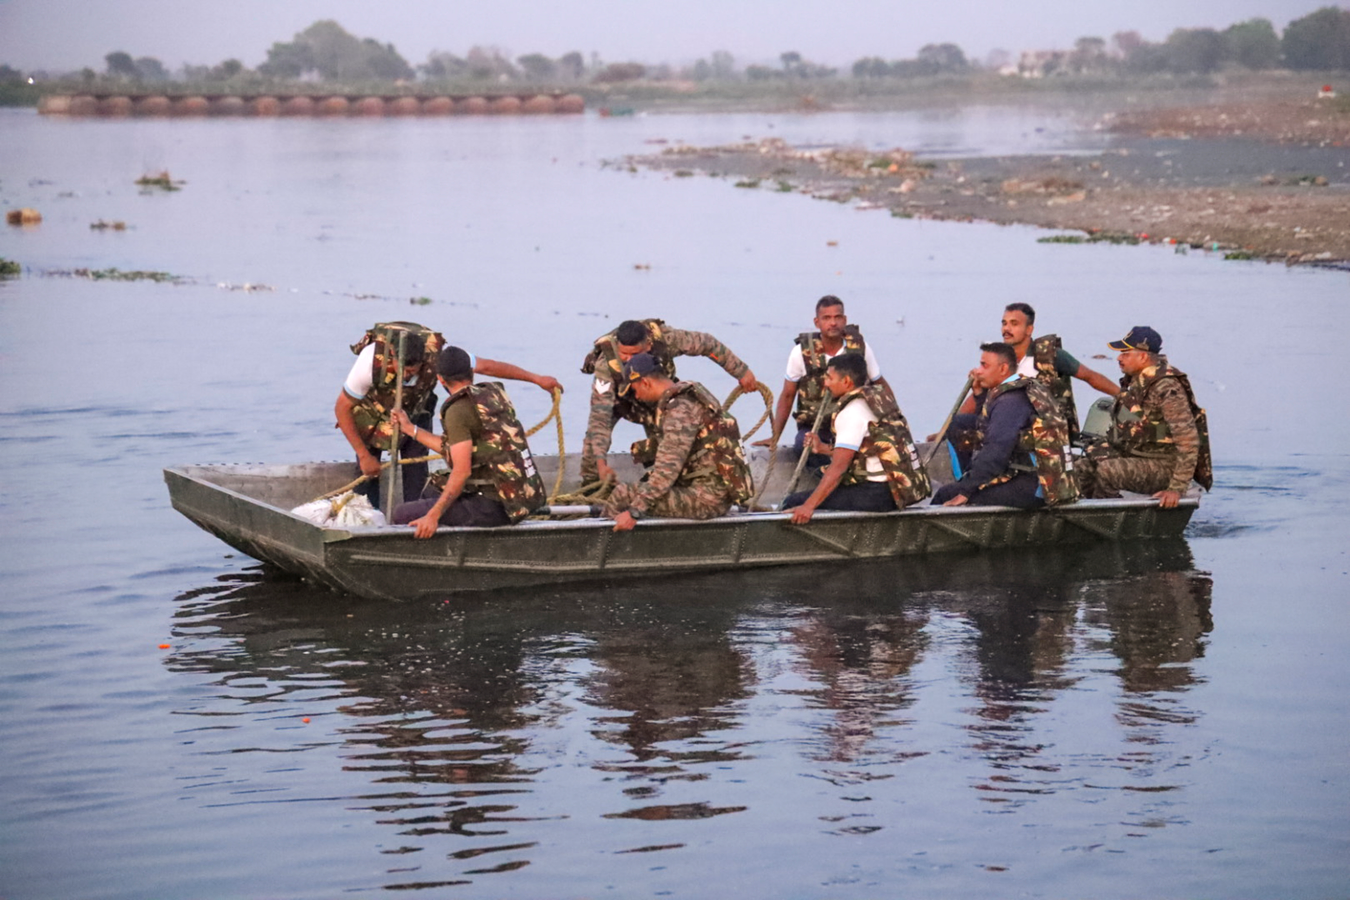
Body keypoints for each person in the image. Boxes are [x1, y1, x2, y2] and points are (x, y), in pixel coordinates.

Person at [336, 321, 561, 505]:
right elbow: (342, 408)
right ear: (392, 355)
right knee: (367, 472)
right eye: (402, 370)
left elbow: (488, 367)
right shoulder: (369, 362)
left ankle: (411, 518)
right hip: (372, 412)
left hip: (415, 408)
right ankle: (369, 519)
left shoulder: (438, 356)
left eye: (412, 372)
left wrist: (537, 379)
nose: (406, 376)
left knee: (416, 469)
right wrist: (363, 454)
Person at [389, 346, 548, 536]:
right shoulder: (493, 394)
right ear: (471, 373)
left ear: (440, 379)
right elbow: (455, 448)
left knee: (402, 514)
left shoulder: (457, 410)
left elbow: (462, 471)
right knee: (433, 491)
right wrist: (410, 429)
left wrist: (433, 515)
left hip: (493, 506)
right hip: (520, 496)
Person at [580, 318, 757, 484]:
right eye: (623, 354)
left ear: (648, 346)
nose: (628, 360)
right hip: (619, 400)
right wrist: (601, 462)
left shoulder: (666, 339)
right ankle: (592, 487)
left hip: (655, 397)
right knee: (592, 446)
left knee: (670, 438)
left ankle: (667, 483)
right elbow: (599, 418)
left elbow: (707, 344)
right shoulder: (605, 365)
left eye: (634, 354)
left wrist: (741, 372)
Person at [601, 353, 753, 532]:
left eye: (635, 390)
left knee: (624, 493)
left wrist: (635, 511)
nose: (638, 397)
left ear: (646, 383)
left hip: (707, 500)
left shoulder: (679, 411)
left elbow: (667, 471)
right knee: (643, 488)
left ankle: (598, 544)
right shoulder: (690, 398)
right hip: (715, 492)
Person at [782, 354, 929, 524]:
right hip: (899, 489)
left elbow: (838, 469)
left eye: (830, 378)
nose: (826, 383)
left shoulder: (851, 412)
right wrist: (822, 448)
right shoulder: (878, 400)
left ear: (846, 382)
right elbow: (867, 447)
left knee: (794, 502)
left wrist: (808, 507)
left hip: (876, 493)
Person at [1075, 327, 1212, 509]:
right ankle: (1077, 509)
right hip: (1139, 455)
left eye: (1125, 353)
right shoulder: (1138, 381)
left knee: (1109, 471)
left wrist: (1176, 488)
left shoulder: (1167, 388)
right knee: (1081, 467)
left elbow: (1188, 440)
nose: (1119, 358)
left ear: (1143, 357)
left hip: (1165, 466)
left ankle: (1104, 515)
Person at [934, 342, 1079, 509]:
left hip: (1035, 487)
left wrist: (966, 490)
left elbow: (996, 451)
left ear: (1003, 369)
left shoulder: (1011, 400)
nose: (978, 371)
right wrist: (980, 395)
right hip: (1041, 480)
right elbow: (989, 423)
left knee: (945, 495)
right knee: (960, 423)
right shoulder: (1023, 387)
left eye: (984, 365)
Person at [761, 295, 890, 469]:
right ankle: (826, 479)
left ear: (844, 320)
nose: (833, 323)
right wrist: (775, 436)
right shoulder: (801, 353)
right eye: (827, 318)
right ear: (817, 322)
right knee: (803, 446)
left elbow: (879, 385)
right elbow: (788, 395)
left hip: (854, 424)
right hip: (816, 426)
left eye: (837, 317)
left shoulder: (860, 349)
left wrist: (894, 422)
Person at [959, 303, 1118, 439]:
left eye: (1014, 324)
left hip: (1043, 431)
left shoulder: (1048, 356)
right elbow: (977, 396)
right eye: (1004, 323)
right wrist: (946, 429)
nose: (1006, 329)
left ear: (1029, 329)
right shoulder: (999, 359)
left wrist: (1125, 396)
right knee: (960, 425)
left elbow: (1090, 377)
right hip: (1005, 424)